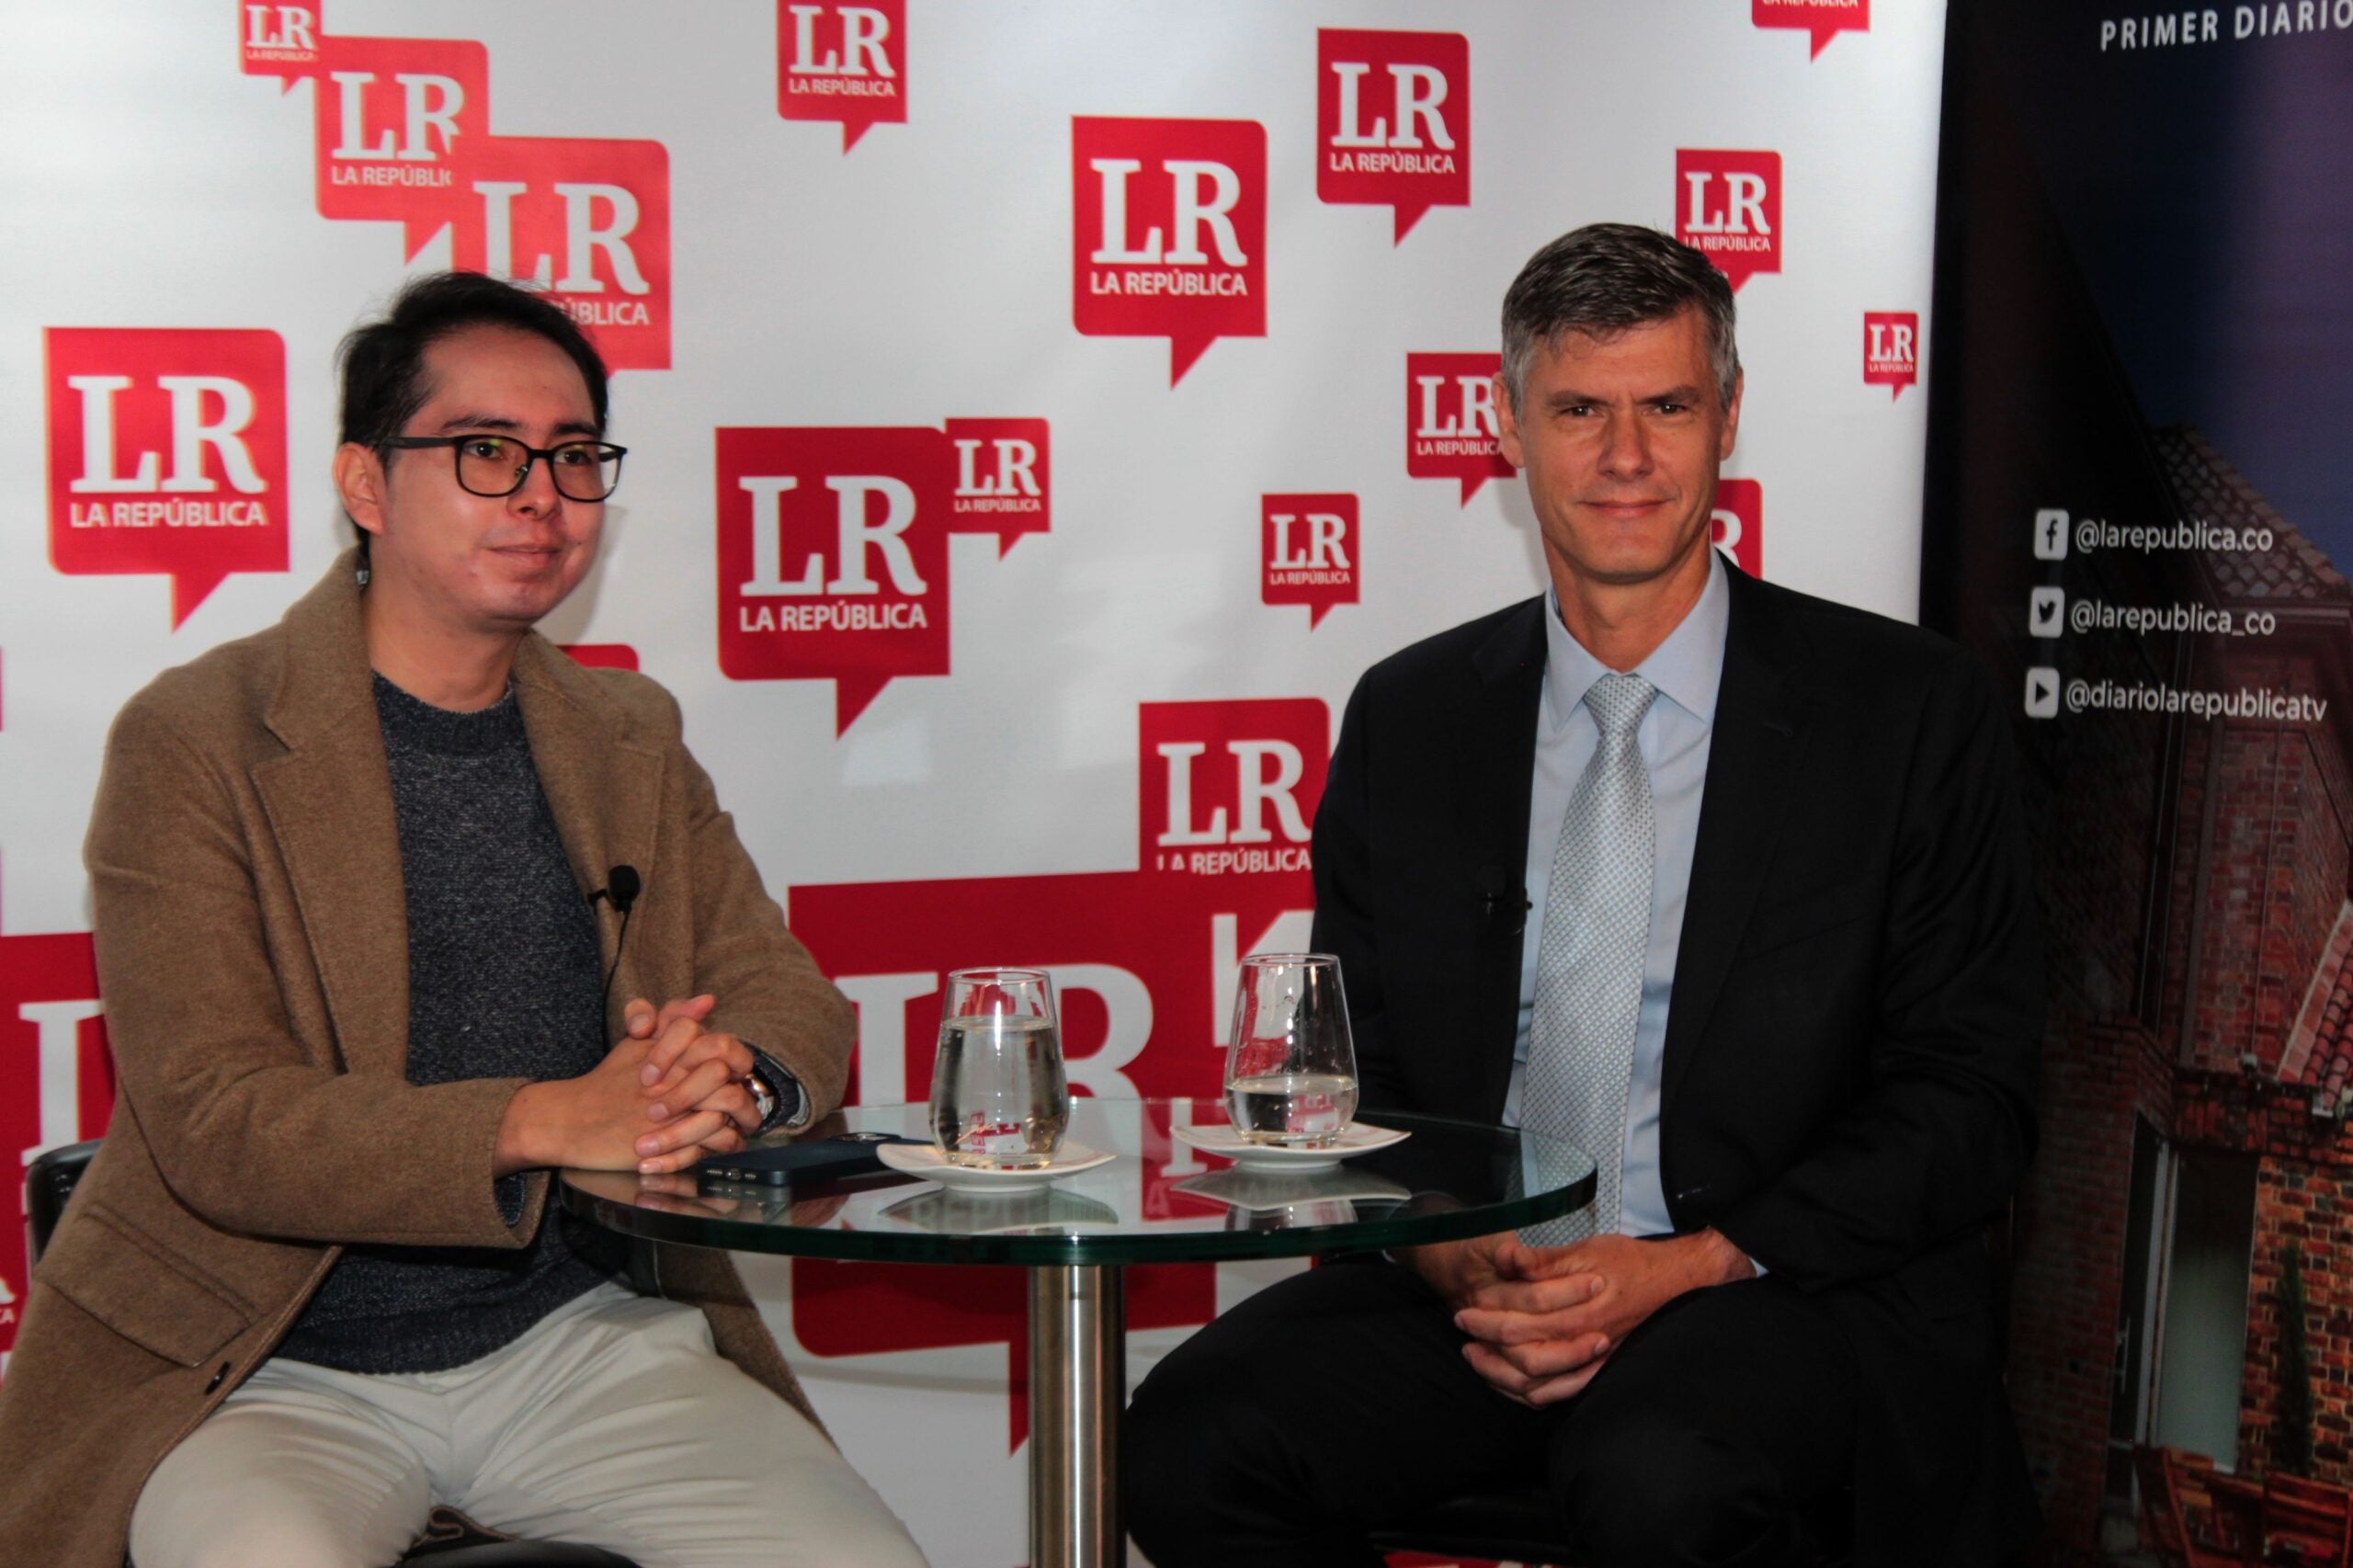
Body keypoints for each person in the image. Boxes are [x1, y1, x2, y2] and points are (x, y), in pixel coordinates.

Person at [1123, 223, 2043, 1568]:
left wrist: (1680, 1264)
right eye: (1579, 411)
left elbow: (1972, 1097)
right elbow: (1355, 1061)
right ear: (1505, 430)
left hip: (1775, 1283)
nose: (1627, 457)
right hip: (1481, 1285)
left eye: (1667, 406)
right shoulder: (1413, 715)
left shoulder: (1906, 714)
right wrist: (1456, 1260)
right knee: (1190, 1441)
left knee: (1656, 1478)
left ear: (1727, 416)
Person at [0, 272, 928, 1568]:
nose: (542, 496)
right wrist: (546, 1117)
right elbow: (218, 1117)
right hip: (267, 1363)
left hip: (581, 1338)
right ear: (366, 487)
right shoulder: (197, 739)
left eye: (574, 455)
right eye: (486, 452)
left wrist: (735, 1082)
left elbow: (786, 993)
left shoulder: (629, 733)